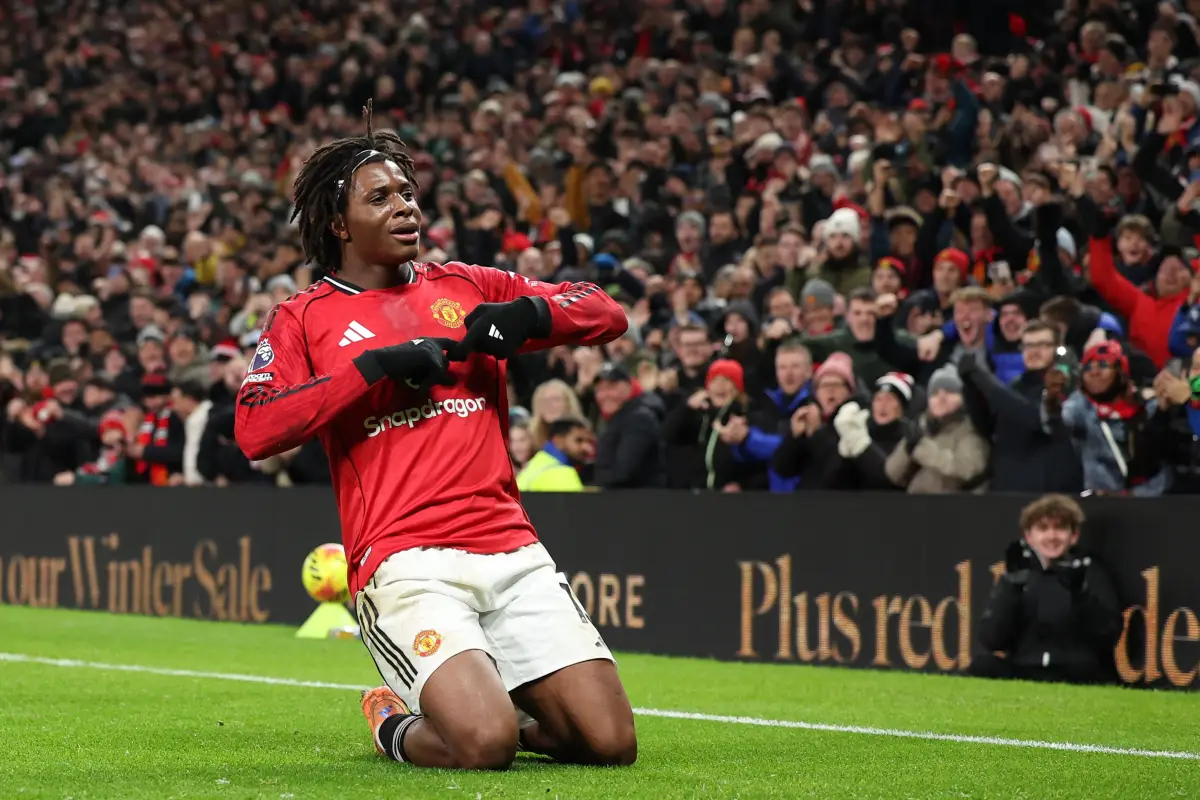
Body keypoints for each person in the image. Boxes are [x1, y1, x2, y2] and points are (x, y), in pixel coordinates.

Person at [234, 108, 636, 770]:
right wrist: (372, 370)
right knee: (482, 745)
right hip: (404, 559)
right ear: (339, 224)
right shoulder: (303, 318)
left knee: (609, 743)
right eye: (381, 198)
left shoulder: (464, 286)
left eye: (408, 194)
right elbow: (256, 429)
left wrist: (529, 313)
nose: (405, 208)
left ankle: (494, 701)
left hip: (510, 547)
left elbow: (605, 311)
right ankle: (394, 718)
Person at [972, 494, 1121, 685]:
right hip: (1024, 671)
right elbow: (991, 640)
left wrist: (1080, 594)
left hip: (1076, 673)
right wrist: (1012, 586)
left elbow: (1108, 635)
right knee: (982, 665)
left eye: (1060, 528)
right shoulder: (1018, 575)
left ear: (1073, 535)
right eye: (1043, 528)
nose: (1052, 536)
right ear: (1029, 536)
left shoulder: (1092, 572)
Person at [516, 416, 590, 492]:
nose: (586, 447)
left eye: (588, 441)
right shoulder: (562, 473)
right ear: (558, 440)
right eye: (578, 440)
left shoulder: (539, 461)